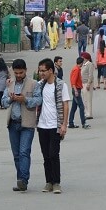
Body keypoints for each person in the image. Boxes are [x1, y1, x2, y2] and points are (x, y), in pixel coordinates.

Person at [3, 59, 41, 192]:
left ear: (26, 70)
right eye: (16, 73)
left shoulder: (33, 84)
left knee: (24, 152)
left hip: (27, 124)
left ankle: (24, 180)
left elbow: (38, 100)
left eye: (21, 72)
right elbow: (4, 102)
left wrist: (25, 99)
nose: (18, 75)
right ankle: (20, 180)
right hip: (13, 124)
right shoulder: (10, 84)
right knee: (16, 154)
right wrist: (11, 99)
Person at [36, 58, 70, 194]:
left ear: (51, 70)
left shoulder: (61, 85)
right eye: (40, 70)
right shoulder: (40, 85)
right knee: (45, 155)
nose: (41, 73)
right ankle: (48, 181)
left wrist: (64, 125)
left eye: (43, 70)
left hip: (55, 125)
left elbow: (66, 104)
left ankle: (56, 182)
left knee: (53, 154)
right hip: (42, 125)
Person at [68, 57, 90, 129]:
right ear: (81, 63)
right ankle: (83, 122)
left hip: (76, 89)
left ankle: (71, 122)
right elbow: (73, 81)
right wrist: (76, 90)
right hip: (76, 90)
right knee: (81, 106)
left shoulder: (76, 69)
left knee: (74, 107)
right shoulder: (76, 70)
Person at [81, 52, 95, 119]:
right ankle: (86, 113)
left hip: (87, 83)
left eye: (83, 57)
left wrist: (89, 84)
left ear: (86, 58)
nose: (82, 58)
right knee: (85, 99)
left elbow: (90, 75)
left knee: (88, 99)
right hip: (83, 83)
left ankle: (89, 114)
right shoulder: (83, 64)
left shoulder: (90, 64)